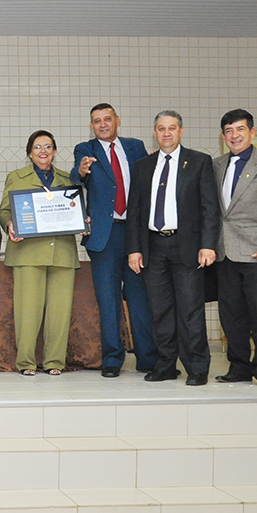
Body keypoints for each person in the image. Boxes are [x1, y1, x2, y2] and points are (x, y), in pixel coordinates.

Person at [127, 110, 219, 386]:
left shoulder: (200, 162)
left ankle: (197, 367)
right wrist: (134, 249)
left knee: (190, 309)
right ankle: (166, 364)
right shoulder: (143, 166)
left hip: (188, 246)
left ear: (181, 131)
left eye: (171, 128)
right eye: (161, 128)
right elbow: (135, 211)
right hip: (153, 246)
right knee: (160, 309)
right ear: (154, 133)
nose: (166, 133)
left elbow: (209, 208)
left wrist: (208, 245)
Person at [71, 104, 159, 377]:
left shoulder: (135, 146)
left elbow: (150, 181)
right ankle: (112, 359)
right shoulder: (85, 150)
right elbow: (76, 178)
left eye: (107, 119)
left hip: (135, 234)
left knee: (139, 299)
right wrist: (83, 170)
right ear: (91, 126)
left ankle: (148, 358)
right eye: (97, 121)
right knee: (107, 301)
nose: (103, 124)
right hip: (103, 238)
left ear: (117, 120)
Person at [212, 109, 257, 389]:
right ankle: (239, 367)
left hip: (256, 251)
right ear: (223, 136)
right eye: (229, 131)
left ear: (252, 132)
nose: (235, 136)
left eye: (240, 130)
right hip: (224, 252)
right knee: (231, 315)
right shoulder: (216, 165)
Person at [0, 130, 80, 376]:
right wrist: (10, 224)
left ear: (55, 151)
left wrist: (82, 218)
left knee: (60, 312)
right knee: (28, 311)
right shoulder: (16, 177)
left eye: (48, 146)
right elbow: (3, 211)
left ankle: (55, 362)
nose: (43, 151)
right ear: (29, 152)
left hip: (62, 253)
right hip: (28, 253)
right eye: (37, 147)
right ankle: (26, 363)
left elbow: (75, 209)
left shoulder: (68, 179)